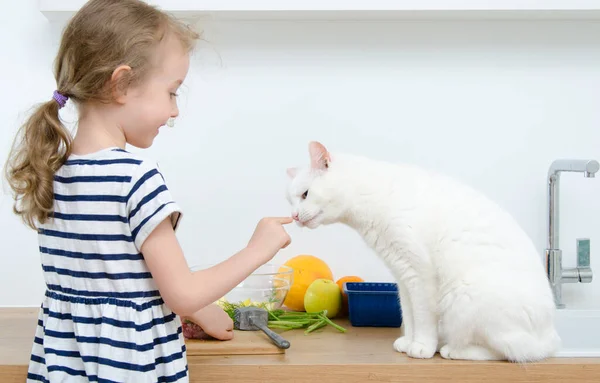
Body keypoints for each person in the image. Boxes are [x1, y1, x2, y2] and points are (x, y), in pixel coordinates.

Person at [4, 0, 293, 381]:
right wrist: (259, 249)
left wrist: (196, 310)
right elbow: (182, 292)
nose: (175, 111)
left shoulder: (52, 172)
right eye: (172, 92)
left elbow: (114, 277)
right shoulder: (135, 177)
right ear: (121, 83)